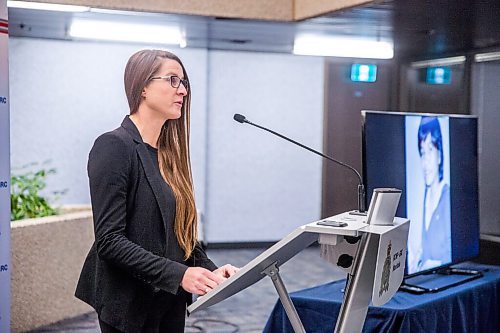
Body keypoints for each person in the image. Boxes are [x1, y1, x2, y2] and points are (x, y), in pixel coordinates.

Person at [75, 49, 238, 333]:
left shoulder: (168, 155)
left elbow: (177, 233)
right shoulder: (114, 147)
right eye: (173, 80)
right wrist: (180, 274)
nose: (183, 90)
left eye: (184, 82)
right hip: (129, 303)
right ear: (143, 88)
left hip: (168, 298)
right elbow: (110, 241)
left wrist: (208, 269)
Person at [413, 116, 451, 272]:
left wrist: (432, 264)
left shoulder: (448, 198)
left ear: (440, 155)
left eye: (430, 150)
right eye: (422, 152)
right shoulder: (425, 198)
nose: (425, 161)